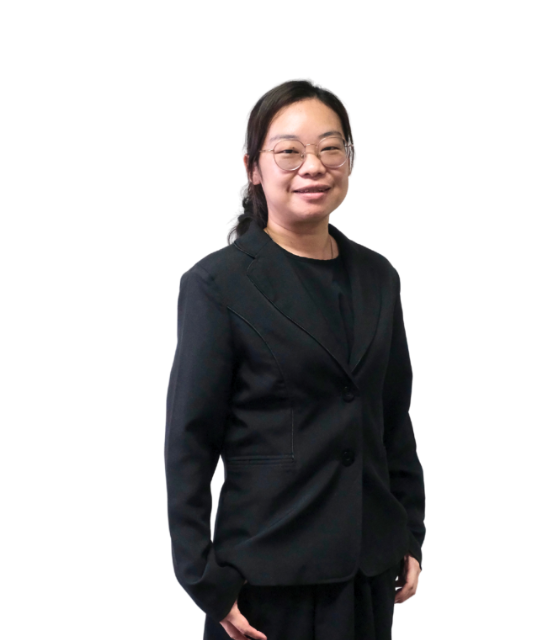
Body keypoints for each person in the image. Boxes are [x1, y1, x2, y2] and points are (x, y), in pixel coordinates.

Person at [164, 77, 425, 640]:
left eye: (331, 148)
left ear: (350, 162)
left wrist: (409, 534)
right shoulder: (216, 283)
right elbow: (189, 443)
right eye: (289, 151)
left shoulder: (379, 276)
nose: (314, 167)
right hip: (265, 581)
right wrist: (204, 578)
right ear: (252, 167)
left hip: (368, 572)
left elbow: (393, 419)